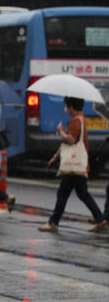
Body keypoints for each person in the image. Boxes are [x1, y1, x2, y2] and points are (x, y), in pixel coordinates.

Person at [38, 97, 103, 232]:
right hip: (78, 164)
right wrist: (55, 158)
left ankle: (53, 223)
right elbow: (68, 144)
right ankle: (100, 219)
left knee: (63, 193)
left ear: (71, 106)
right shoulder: (81, 118)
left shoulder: (75, 121)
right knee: (82, 193)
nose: (65, 109)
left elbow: (71, 140)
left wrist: (60, 131)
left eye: (66, 106)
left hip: (74, 165)